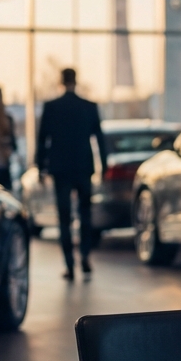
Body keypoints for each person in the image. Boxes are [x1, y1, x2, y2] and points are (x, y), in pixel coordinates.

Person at [36, 68, 108, 281]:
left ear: (60, 81)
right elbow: (99, 139)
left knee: (64, 218)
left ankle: (69, 264)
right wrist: (103, 165)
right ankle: (85, 256)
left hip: (61, 169)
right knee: (85, 215)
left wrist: (41, 167)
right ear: (76, 81)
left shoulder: (51, 107)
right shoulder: (89, 106)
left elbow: (42, 140)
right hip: (83, 167)